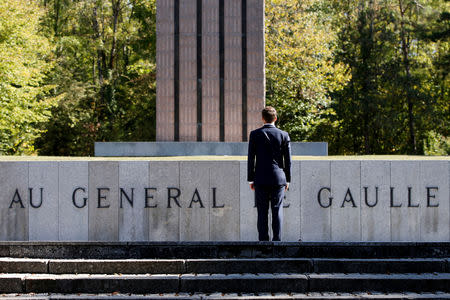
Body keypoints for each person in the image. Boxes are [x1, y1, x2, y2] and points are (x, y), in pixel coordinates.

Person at [247, 106, 291, 241]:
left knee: (262, 212)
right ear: (275, 118)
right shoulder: (284, 135)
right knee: (277, 210)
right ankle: (277, 241)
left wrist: (251, 179)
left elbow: (251, 158)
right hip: (278, 179)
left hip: (260, 178)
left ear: (262, 118)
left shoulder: (254, 134)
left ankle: (263, 242)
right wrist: (288, 180)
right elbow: (288, 160)